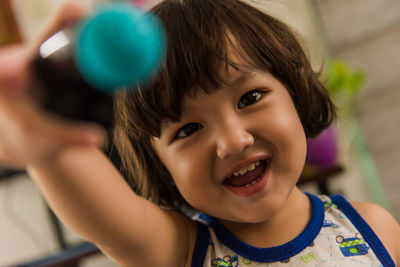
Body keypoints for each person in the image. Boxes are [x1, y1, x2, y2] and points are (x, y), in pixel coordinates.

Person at [0, 0, 399, 266]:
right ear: (158, 163)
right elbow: (107, 218)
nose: (233, 141)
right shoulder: (180, 251)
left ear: (294, 91)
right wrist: (45, 144)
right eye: (188, 129)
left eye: (250, 97)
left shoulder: (372, 227)